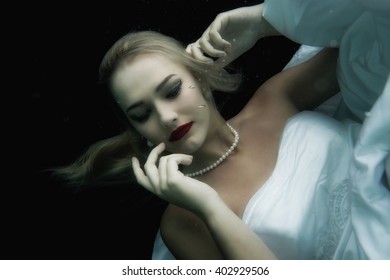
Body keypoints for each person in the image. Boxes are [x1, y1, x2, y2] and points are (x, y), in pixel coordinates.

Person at [185, 0, 390, 259]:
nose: (166, 116)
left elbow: (363, 38)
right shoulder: (183, 218)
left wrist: (264, 21)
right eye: (141, 114)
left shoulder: (271, 102)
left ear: (200, 82)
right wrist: (209, 207)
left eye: (172, 91)